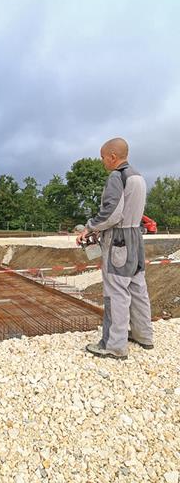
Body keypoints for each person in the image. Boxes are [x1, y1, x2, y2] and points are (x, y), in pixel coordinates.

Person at [76, 137, 153, 360]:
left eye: (102, 157)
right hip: (136, 238)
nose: (102, 162)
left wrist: (89, 228)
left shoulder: (116, 177)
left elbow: (111, 212)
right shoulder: (138, 176)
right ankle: (143, 335)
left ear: (113, 156)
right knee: (138, 288)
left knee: (116, 293)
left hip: (119, 240)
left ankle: (114, 345)